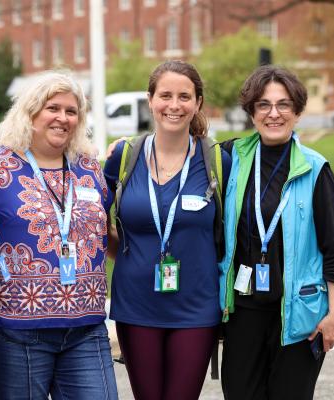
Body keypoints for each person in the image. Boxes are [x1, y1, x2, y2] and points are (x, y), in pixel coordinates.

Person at [0, 71, 118, 400]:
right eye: (53, 108)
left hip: (86, 328)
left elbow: (109, 231)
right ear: (30, 112)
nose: (63, 118)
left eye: (72, 112)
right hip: (18, 333)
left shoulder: (89, 167)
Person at [218, 65, 334, 400]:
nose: (273, 113)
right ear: (251, 111)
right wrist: (128, 144)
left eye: (284, 104)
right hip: (243, 314)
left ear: (297, 111)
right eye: (263, 104)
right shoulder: (230, 157)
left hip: (299, 317)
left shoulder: (316, 169)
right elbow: (179, 151)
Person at [103, 60, 231, 399]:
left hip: (196, 306)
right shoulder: (122, 157)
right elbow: (93, 222)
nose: (174, 105)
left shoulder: (217, 161)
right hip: (135, 304)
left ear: (198, 103)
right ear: (150, 99)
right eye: (166, 95)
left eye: (184, 96)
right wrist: (128, 254)